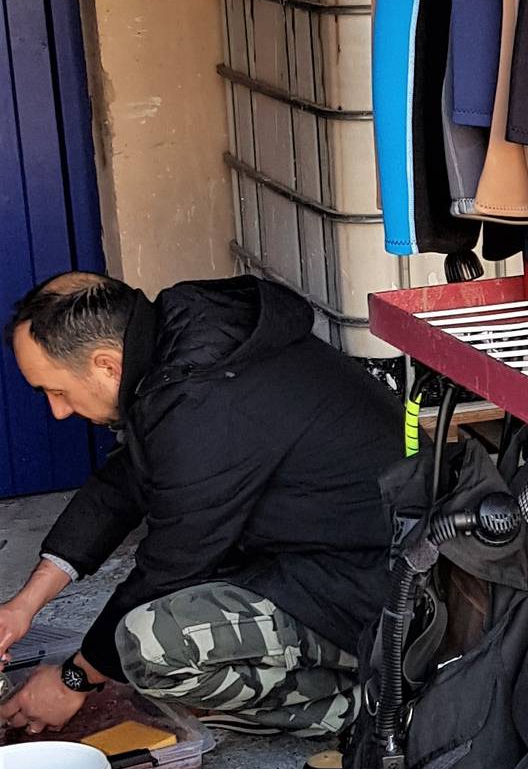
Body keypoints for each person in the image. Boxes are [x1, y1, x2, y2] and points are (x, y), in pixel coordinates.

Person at [0, 271, 402, 738]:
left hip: (374, 595)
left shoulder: (207, 398)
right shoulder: (179, 352)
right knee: (152, 628)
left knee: (148, 645)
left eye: (57, 391)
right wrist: (24, 605)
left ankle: (366, 708)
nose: (58, 411)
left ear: (106, 365)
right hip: (318, 560)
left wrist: (75, 678)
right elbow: (121, 484)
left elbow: (172, 563)